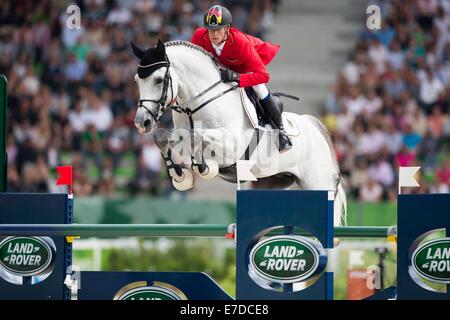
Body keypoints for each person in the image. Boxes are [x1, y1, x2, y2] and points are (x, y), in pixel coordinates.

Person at [191, 5, 292, 152]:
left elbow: (264, 75)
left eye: (218, 29)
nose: (214, 34)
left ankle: (281, 131)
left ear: (227, 29)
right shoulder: (199, 36)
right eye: (211, 29)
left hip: (245, 67)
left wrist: (238, 78)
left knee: (259, 87)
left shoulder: (240, 42)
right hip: (222, 67)